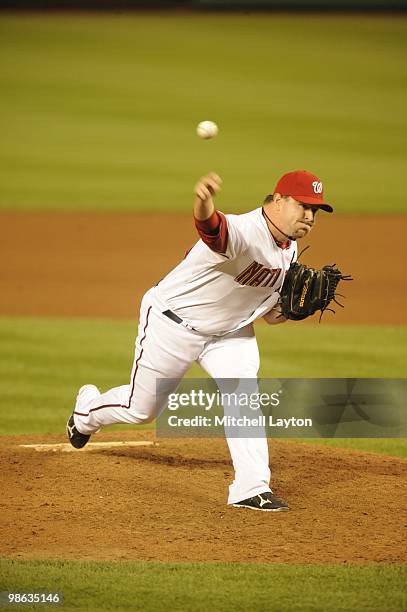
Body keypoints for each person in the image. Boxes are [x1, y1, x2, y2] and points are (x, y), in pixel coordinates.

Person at [67, 169, 334, 512]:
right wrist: (203, 201)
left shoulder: (290, 249)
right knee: (142, 409)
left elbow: (268, 313)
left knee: (244, 394)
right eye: (304, 206)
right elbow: (213, 229)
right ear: (278, 201)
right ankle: (86, 411)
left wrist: (289, 310)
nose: (310, 217)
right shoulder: (244, 231)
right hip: (173, 325)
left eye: (316, 211)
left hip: (228, 334)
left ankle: (250, 487)